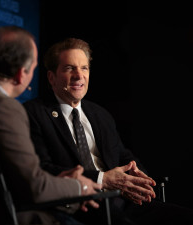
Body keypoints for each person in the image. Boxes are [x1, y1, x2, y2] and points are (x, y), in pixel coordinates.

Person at [0, 26, 102, 225]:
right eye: (34, 68)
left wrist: (62, 183)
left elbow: (10, 179)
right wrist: (79, 188)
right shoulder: (5, 109)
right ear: (22, 74)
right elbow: (35, 187)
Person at [23, 37, 193, 225]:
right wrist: (102, 179)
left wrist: (138, 178)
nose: (79, 76)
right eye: (70, 68)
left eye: (84, 68)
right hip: (81, 205)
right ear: (51, 77)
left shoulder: (99, 114)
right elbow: (42, 170)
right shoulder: (33, 113)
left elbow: (122, 155)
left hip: (123, 201)